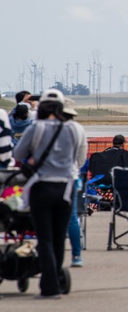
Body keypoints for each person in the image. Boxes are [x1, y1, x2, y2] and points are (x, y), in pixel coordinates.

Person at [12, 89, 84, 299]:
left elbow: (19, 154)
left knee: (45, 239)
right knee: (59, 237)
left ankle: (49, 286)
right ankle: (55, 280)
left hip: (42, 186)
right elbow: (78, 160)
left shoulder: (37, 128)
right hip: (66, 188)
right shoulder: (75, 129)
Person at [61, 99, 87, 269]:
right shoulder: (78, 129)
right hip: (70, 177)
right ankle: (76, 255)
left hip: (45, 179)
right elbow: (81, 158)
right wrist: (74, 169)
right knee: (72, 219)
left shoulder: (41, 126)